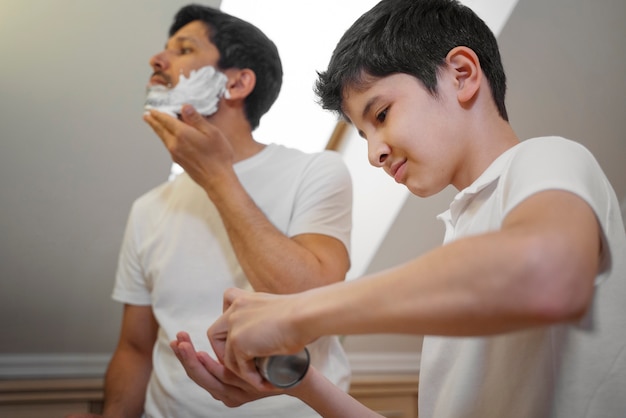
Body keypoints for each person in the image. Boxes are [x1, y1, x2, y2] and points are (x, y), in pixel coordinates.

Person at [173, 0, 626, 417]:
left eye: (382, 114)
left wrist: (297, 312)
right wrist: (302, 381)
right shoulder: (464, 230)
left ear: (462, 74)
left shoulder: (548, 158)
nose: (373, 154)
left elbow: (550, 273)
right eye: (363, 134)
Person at [68, 4, 353, 418]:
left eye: (184, 49)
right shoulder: (148, 209)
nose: (156, 60)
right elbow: (134, 348)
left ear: (237, 83)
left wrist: (218, 178)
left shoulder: (317, 170)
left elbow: (308, 299)